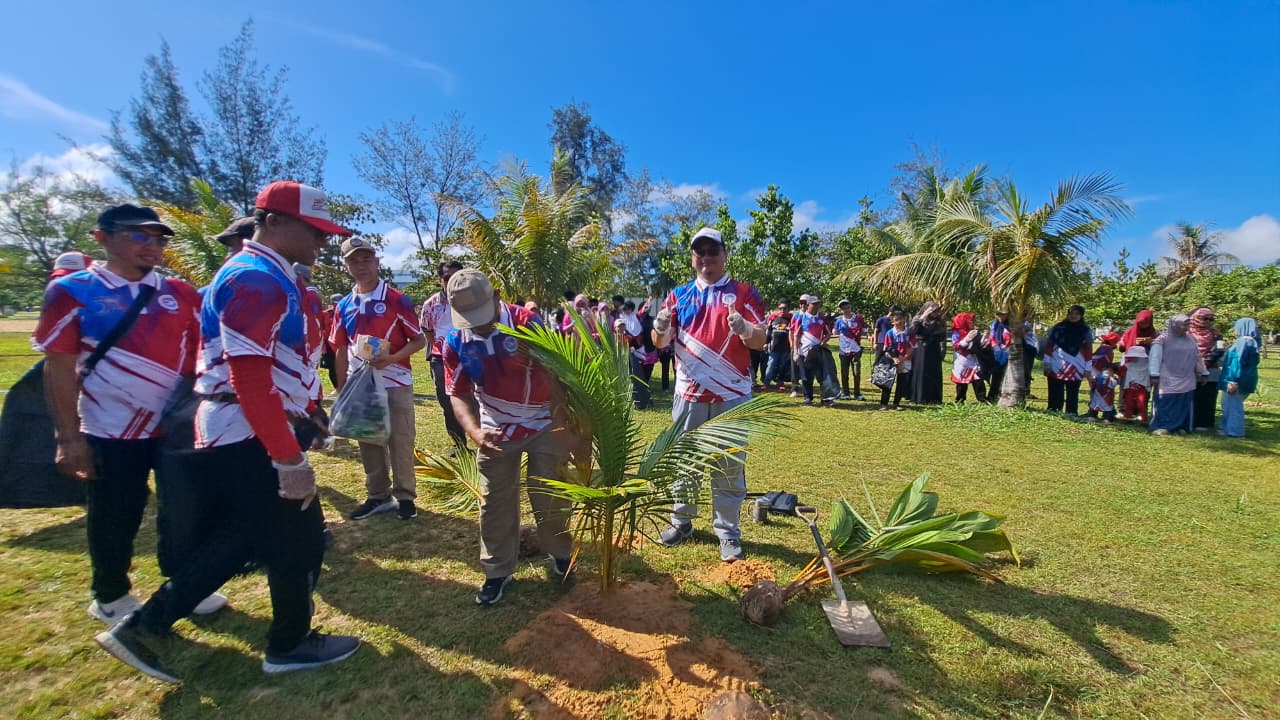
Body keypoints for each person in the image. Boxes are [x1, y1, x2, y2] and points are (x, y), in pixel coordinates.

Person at [95, 181, 360, 682]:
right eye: (314, 230)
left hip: (253, 426)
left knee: (252, 537)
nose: (322, 241)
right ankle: (285, 643)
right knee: (296, 538)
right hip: (248, 431)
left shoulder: (273, 276)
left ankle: (151, 625)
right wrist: (287, 459)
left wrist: (308, 415)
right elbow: (250, 380)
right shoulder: (255, 279)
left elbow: (280, 369)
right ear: (273, 221)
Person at [32, 204, 204, 628]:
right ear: (102, 238)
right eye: (138, 236)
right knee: (117, 514)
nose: (152, 246)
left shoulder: (181, 293)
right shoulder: (72, 291)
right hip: (110, 429)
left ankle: (184, 584)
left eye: (158, 238)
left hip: (174, 427)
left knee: (183, 510)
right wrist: (68, 438)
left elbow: (202, 354)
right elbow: (59, 368)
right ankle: (110, 594)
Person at [441, 269, 577, 606]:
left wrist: (562, 424)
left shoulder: (528, 324)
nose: (479, 325)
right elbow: (458, 394)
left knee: (550, 493)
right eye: (470, 318)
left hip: (544, 422)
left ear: (497, 297)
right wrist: (475, 432)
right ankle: (497, 570)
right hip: (495, 429)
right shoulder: (456, 341)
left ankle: (561, 554)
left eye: (482, 315)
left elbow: (557, 372)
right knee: (494, 502)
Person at [652, 227, 766, 563]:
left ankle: (728, 532)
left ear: (724, 255)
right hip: (689, 395)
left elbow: (760, 340)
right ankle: (681, 521)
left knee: (729, 464)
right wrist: (659, 328)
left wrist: (745, 329)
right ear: (693, 258)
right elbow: (660, 343)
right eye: (699, 252)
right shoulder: (678, 296)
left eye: (712, 251)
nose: (706, 258)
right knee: (685, 461)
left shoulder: (745, 293)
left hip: (731, 395)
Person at [331, 238, 427, 521]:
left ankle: (405, 496)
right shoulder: (344, 305)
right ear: (346, 266)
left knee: (401, 440)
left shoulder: (397, 300)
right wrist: (342, 388)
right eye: (354, 261)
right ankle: (378, 495)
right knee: (368, 439)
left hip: (395, 381)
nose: (361, 266)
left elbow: (419, 340)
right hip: (361, 385)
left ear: (377, 262)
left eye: (366, 259)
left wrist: (393, 358)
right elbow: (339, 348)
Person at [420, 260, 468, 447]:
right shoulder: (431, 304)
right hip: (441, 359)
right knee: (448, 402)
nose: (453, 281)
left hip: (471, 355)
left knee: (477, 398)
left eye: (458, 277)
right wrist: (441, 350)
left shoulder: (473, 300)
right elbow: (427, 330)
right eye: (448, 278)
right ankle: (460, 445)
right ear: (440, 280)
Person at [1148, 314, 1207, 436]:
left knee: (1183, 403)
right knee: (1166, 402)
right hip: (1167, 377)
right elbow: (1155, 358)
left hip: (1187, 378)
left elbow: (1197, 357)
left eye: (1188, 324)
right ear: (1175, 325)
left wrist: (1203, 372)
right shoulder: (1162, 340)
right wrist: (1154, 374)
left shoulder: (1190, 339)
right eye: (1184, 324)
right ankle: (1163, 426)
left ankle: (1180, 426)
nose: (1187, 327)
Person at [1042, 305, 1093, 415]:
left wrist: (1088, 368)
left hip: (1077, 365)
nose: (1073, 316)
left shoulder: (1085, 331)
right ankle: (1054, 411)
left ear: (1081, 315)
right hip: (1057, 363)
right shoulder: (1058, 328)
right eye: (1071, 313)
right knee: (1055, 389)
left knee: (1073, 392)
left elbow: (1089, 350)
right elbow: (1049, 345)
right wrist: (1047, 362)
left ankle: (1071, 413)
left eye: (1077, 314)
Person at [1218, 318, 1260, 438]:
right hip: (1247, 378)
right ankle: (1226, 429)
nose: (1235, 330)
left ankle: (1235, 432)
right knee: (1229, 404)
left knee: (1233, 405)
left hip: (1238, 379)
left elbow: (1238, 361)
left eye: (1236, 327)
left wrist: (1233, 380)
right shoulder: (1252, 341)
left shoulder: (1244, 341)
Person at [794, 297, 839, 406]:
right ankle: (807, 398)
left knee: (822, 375)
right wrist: (795, 351)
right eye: (814, 304)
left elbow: (828, 333)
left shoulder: (822, 318)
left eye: (818, 304)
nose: (816, 306)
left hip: (817, 350)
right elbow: (796, 335)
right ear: (808, 305)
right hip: (804, 351)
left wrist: (824, 341)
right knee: (806, 376)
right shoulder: (801, 317)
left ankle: (826, 398)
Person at [1188, 307, 1224, 433]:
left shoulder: (1216, 334)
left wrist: (1206, 363)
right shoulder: (1187, 332)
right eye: (1205, 318)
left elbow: (1220, 350)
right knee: (1191, 396)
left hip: (1210, 369)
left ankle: (1204, 423)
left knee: (1207, 397)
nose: (1208, 321)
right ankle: (1189, 421)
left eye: (1211, 319)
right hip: (1189, 369)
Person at [910, 301, 947, 405]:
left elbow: (942, 335)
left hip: (934, 349)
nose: (935, 313)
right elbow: (913, 331)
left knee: (934, 373)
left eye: (937, 311)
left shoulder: (939, 321)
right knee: (921, 372)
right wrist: (923, 317)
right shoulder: (918, 318)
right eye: (933, 311)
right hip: (921, 350)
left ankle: (934, 398)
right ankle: (919, 397)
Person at [880, 309, 914, 410]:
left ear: (904, 319)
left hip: (905, 360)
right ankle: (884, 404)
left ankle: (897, 403)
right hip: (892, 360)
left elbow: (912, 347)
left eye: (900, 319)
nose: (898, 322)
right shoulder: (890, 333)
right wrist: (895, 359)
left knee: (901, 383)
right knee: (888, 382)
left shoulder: (909, 332)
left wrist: (903, 358)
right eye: (896, 320)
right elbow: (887, 348)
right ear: (892, 321)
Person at [950, 313, 986, 403]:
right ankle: (960, 399)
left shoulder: (975, 331)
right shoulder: (956, 333)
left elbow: (980, 344)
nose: (973, 323)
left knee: (978, 379)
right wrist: (966, 340)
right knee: (961, 382)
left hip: (974, 359)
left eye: (973, 321)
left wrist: (985, 337)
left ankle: (982, 399)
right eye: (971, 321)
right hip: (962, 360)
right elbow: (956, 346)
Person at [834, 300, 866, 400]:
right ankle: (846, 393)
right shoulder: (838, 321)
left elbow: (865, 331)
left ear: (850, 307)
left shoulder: (858, 319)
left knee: (857, 373)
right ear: (840, 310)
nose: (846, 310)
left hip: (856, 349)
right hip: (844, 350)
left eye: (847, 307)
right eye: (843, 308)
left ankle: (857, 394)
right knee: (844, 373)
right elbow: (835, 332)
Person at [763, 300, 793, 391]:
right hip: (774, 348)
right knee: (771, 365)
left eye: (784, 308)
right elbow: (769, 332)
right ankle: (766, 382)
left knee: (782, 366)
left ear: (788, 309)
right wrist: (766, 343)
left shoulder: (791, 319)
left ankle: (780, 382)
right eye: (780, 308)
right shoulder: (773, 318)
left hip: (785, 349)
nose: (782, 310)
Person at [1119, 346, 1151, 424]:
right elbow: (1120, 371)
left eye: (1134, 356)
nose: (1132, 358)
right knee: (1129, 403)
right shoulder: (1128, 365)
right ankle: (1128, 417)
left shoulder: (1148, 366)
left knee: (1142, 404)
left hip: (1142, 388)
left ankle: (1144, 419)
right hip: (1130, 388)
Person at [985, 312, 1012, 403]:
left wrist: (1005, 350)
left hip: (1008, 352)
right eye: (998, 315)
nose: (1000, 317)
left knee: (1005, 376)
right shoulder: (994, 325)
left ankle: (1002, 396)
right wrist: (997, 349)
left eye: (1003, 314)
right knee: (996, 376)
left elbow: (1012, 338)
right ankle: (992, 396)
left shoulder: (1011, 325)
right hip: (996, 353)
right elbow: (992, 337)